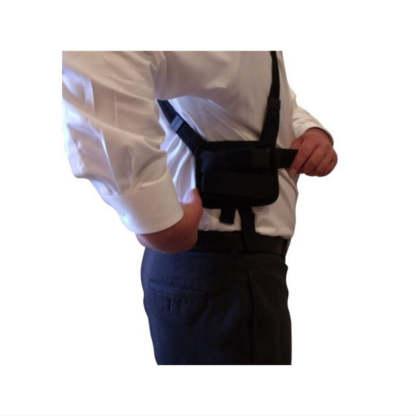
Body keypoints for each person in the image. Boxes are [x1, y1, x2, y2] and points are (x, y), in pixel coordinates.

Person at [62, 51, 337, 365]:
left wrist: (309, 130)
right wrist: (153, 216)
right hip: (220, 272)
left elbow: (255, 98)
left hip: (225, 270)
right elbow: (102, 58)